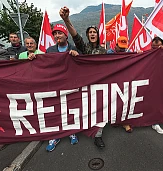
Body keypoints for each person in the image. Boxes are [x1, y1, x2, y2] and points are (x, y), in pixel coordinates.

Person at [60, 6, 106, 149]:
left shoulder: (104, 51)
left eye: (94, 32)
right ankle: (84, 127)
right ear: (87, 36)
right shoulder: (84, 48)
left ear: (98, 35)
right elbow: (75, 36)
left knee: (102, 110)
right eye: (90, 32)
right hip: (86, 85)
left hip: (101, 84)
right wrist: (66, 20)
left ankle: (98, 135)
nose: (92, 34)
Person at [45, 24, 80, 152]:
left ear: (66, 35)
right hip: (54, 86)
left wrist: (77, 57)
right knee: (55, 111)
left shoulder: (74, 48)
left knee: (70, 109)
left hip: (70, 86)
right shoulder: (49, 51)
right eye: (55, 34)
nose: (57, 36)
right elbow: (43, 67)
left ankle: (71, 131)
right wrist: (33, 58)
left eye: (60, 33)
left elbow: (83, 67)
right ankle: (55, 136)